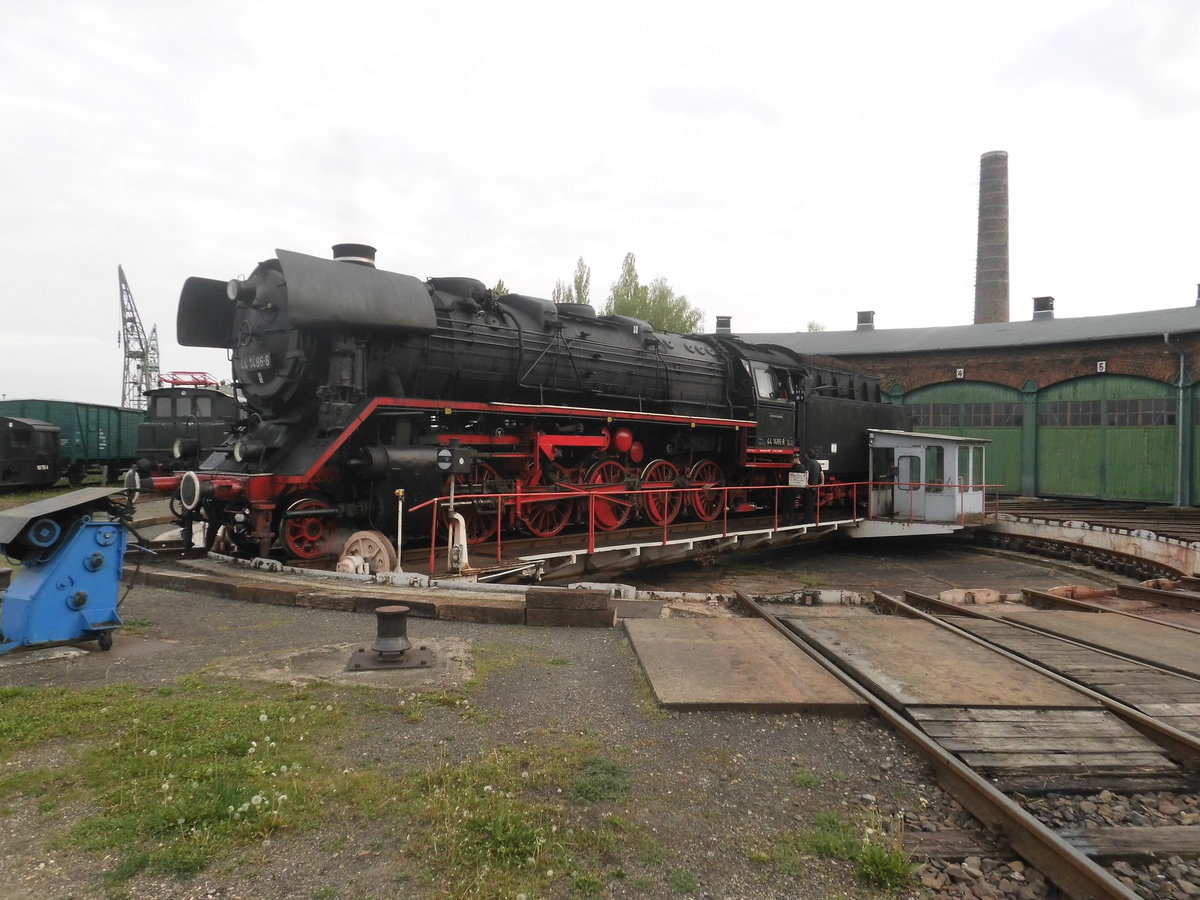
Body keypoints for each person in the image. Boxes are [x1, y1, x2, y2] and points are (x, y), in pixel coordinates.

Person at [801, 448, 824, 523]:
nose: (805, 455)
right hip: (815, 487)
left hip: (809, 487)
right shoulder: (817, 463)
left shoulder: (809, 462)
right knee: (811, 503)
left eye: (806, 454)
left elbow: (807, 472)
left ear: (808, 455)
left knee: (807, 503)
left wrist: (806, 482)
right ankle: (810, 519)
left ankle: (806, 519)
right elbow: (821, 473)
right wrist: (822, 482)